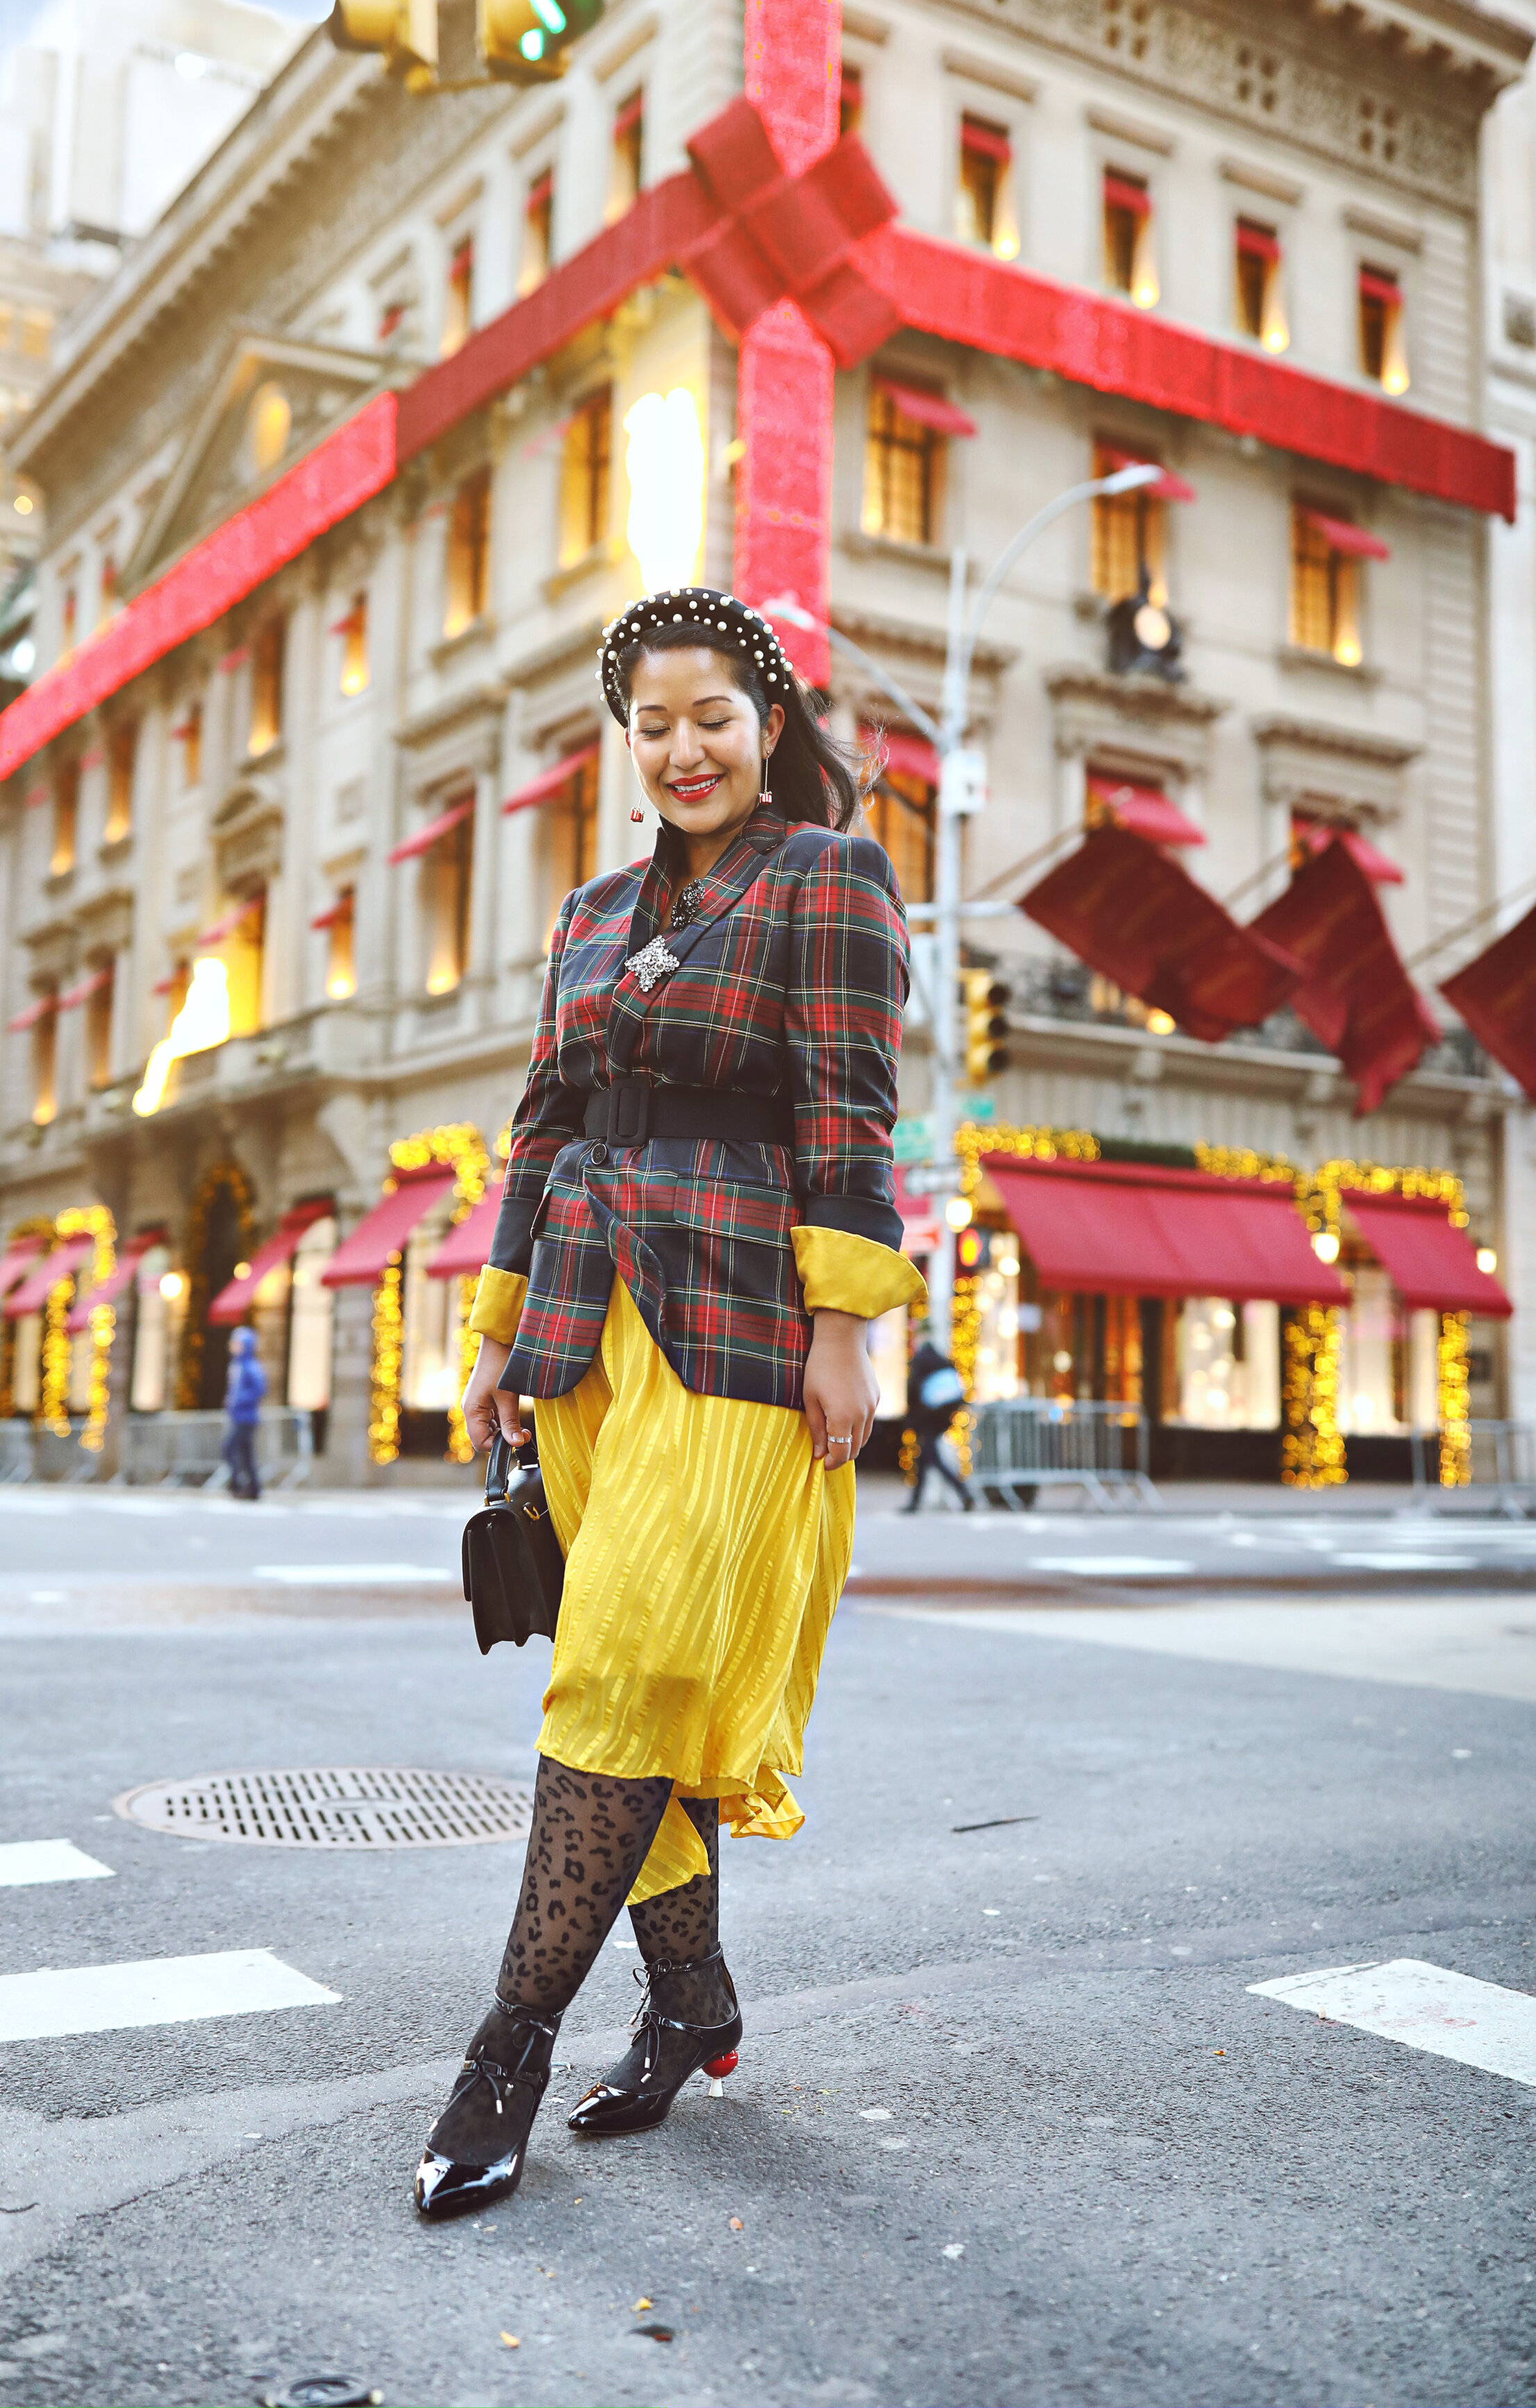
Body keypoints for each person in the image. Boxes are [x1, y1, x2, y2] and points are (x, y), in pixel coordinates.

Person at [415, 586, 921, 2221]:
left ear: (768, 722)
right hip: (582, 1322)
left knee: (624, 1671)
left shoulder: (829, 875)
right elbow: (545, 1117)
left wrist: (844, 1326)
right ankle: (694, 1998)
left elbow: (852, 1104)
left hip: (738, 1325)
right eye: (655, 722)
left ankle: (505, 2048)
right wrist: (495, 1331)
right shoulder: (589, 905)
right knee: (624, 1691)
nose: (685, 747)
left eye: (714, 715)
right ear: (625, 738)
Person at [901, 1329, 976, 1513]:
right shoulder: (942, 1360)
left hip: (928, 1418)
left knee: (929, 1458)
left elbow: (914, 1391)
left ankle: (962, 1493)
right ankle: (961, 1494)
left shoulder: (920, 1362)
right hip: (942, 1416)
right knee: (928, 1459)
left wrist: (912, 1420)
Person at [221, 1323, 266, 1501]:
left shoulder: (250, 1366)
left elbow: (260, 1389)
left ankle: (241, 1486)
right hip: (238, 1416)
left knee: (232, 1449)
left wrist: (238, 1400)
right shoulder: (237, 1365)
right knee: (244, 1453)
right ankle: (251, 1488)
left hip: (247, 1417)